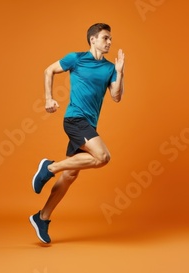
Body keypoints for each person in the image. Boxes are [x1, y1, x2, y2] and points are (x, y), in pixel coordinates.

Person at [29, 23, 125, 244]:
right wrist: (48, 99)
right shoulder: (77, 58)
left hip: (89, 125)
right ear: (93, 40)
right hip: (75, 119)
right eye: (105, 38)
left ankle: (41, 217)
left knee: (70, 174)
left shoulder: (110, 68)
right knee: (102, 157)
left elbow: (117, 97)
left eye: (110, 39)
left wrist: (120, 73)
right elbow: (48, 70)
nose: (109, 42)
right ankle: (49, 167)